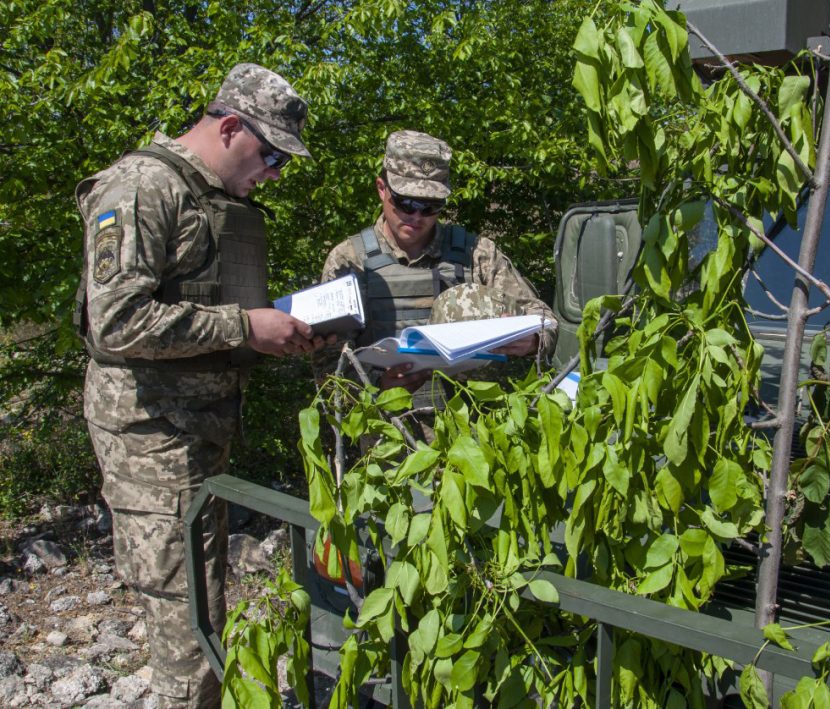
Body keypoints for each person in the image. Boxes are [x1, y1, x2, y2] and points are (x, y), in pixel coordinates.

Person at [73, 63, 324, 708]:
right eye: (271, 156)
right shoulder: (141, 187)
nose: (273, 174)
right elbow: (117, 322)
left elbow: (205, 316)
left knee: (202, 611)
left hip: (195, 439)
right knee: (188, 630)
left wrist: (274, 334)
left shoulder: (209, 200)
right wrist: (244, 324)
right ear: (232, 126)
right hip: (151, 442)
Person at [315, 129, 555, 394]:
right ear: (382, 189)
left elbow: (544, 319)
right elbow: (328, 368)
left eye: (430, 205)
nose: (417, 216)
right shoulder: (349, 261)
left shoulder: (477, 253)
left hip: (472, 425)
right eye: (405, 202)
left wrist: (533, 340)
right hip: (386, 426)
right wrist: (377, 384)